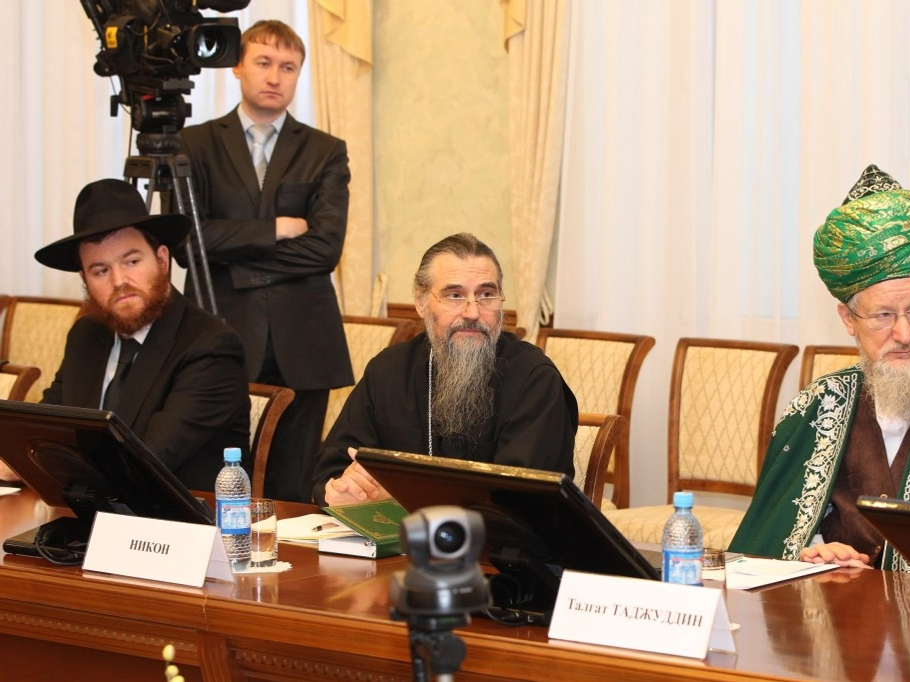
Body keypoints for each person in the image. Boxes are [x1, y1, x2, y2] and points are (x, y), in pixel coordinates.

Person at [728, 165, 910, 570]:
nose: (904, 333)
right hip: (837, 604)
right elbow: (773, 539)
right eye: (883, 315)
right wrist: (819, 551)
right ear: (848, 320)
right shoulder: (817, 405)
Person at [180, 20, 353, 502]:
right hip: (220, 331)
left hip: (303, 343)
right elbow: (188, 243)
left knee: (292, 488)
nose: (275, 76)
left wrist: (234, 261)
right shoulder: (194, 144)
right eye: (263, 62)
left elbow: (325, 249)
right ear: (237, 67)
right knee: (215, 480)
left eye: (288, 67)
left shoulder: (325, 151)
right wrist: (275, 228)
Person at [0, 179, 250, 491]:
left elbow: (144, 461)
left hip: (171, 517)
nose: (119, 281)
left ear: (162, 260)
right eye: (101, 271)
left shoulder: (210, 346)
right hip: (86, 511)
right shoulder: (87, 336)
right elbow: (46, 428)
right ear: (85, 280)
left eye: (131, 262)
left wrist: (30, 461)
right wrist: (18, 456)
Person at [312, 233, 578, 507]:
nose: (472, 313)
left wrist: (403, 498)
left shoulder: (534, 379)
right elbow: (331, 469)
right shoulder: (388, 370)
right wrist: (341, 489)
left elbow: (524, 502)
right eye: (454, 295)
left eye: (486, 295)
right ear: (421, 302)